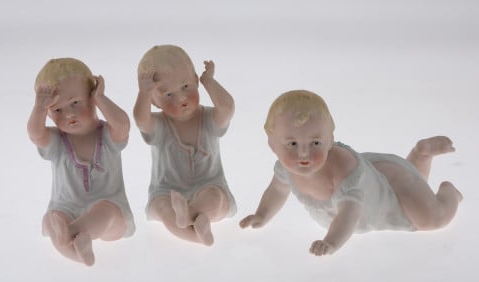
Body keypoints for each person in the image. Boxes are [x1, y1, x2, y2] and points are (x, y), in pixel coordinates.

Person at [240, 90, 462, 256]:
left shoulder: (342, 172)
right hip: (374, 183)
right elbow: (277, 190)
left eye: (316, 142)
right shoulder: (285, 168)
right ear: (272, 144)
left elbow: (350, 213)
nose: (304, 153)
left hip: (389, 182)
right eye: (292, 144)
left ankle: (449, 192)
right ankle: (420, 156)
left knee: (432, 219)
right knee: (416, 194)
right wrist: (261, 215)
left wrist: (331, 242)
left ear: (330, 139)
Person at [27, 58, 135, 266]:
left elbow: (123, 124)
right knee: (53, 219)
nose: (68, 114)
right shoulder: (57, 140)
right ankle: (80, 252)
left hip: (109, 211)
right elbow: (35, 134)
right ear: (48, 113)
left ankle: (72, 234)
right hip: (67, 208)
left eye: (75, 102)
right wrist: (39, 108)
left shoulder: (107, 135)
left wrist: (101, 97)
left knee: (106, 211)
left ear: (91, 98)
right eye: (57, 110)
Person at [133, 45, 237, 246]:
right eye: (168, 95)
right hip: (168, 190)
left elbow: (227, 107)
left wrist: (210, 81)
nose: (181, 98)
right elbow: (140, 119)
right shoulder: (159, 125)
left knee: (216, 199)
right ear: (154, 101)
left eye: (186, 87)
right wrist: (143, 93)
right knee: (164, 209)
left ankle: (192, 215)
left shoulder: (208, 118)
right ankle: (199, 235)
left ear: (196, 81)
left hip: (209, 183)